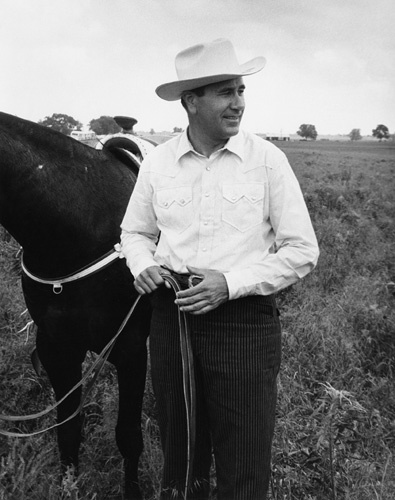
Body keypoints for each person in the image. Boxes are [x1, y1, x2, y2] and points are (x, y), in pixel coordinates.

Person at [120, 38, 319, 500]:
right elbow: (133, 234)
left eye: (241, 91)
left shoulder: (268, 160)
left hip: (244, 323)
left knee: (244, 461)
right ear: (191, 101)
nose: (238, 104)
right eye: (226, 92)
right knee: (181, 454)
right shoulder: (157, 164)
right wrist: (144, 264)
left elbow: (301, 249)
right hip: (172, 319)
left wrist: (229, 284)